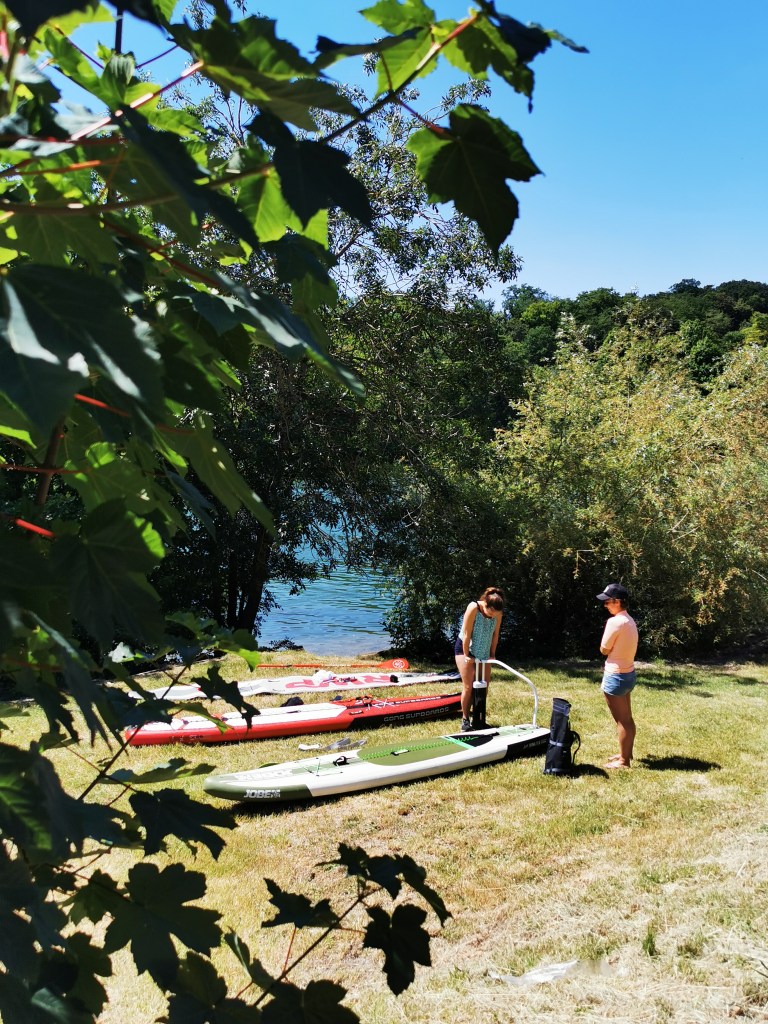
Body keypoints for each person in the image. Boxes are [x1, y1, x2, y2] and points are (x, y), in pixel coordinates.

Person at [596, 582, 639, 769]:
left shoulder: (614, 622)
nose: (605, 605)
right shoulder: (629, 620)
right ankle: (625, 753)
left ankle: (624, 761)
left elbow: (604, 649)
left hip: (616, 676)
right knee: (627, 718)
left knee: (622, 721)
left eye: (607, 602)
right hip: (628, 674)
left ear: (617, 601)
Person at [454, 587, 505, 731]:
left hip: (484, 652)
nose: (493, 615)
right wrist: (466, 655)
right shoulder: (474, 607)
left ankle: (478, 719)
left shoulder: (498, 613)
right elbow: (466, 634)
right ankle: (465, 720)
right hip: (465, 649)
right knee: (469, 686)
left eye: (496, 613)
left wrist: (492, 654)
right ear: (486, 604)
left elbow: (495, 635)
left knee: (484, 686)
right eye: (491, 611)